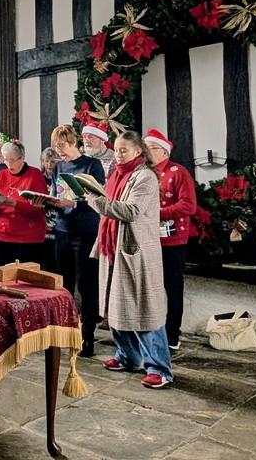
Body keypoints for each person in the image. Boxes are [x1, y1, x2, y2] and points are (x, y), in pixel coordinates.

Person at [86, 130, 173, 389]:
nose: (118, 154)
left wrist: (95, 201)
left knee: (144, 309)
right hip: (113, 247)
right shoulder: (116, 175)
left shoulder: (145, 177)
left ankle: (159, 368)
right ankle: (128, 356)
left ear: (138, 151)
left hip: (136, 251)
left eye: (124, 150)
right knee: (115, 306)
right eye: (116, 150)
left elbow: (131, 211)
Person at [48, 124, 106, 357]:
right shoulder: (58, 167)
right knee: (65, 284)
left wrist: (73, 203)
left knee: (86, 284)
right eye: (56, 147)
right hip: (63, 230)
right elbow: (55, 193)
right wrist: (46, 201)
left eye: (62, 146)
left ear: (73, 142)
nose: (59, 151)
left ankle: (87, 335)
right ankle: (67, 330)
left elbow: (99, 198)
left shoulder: (92, 165)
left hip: (86, 230)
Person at [144, 128, 197, 351]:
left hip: (172, 240)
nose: (147, 152)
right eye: (145, 148)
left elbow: (189, 205)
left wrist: (158, 213)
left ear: (164, 152)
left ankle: (172, 334)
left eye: (152, 148)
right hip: (148, 238)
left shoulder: (178, 172)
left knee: (173, 287)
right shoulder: (144, 173)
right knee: (149, 287)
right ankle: (151, 330)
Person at [0, 138, 48, 267]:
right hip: (4, 235)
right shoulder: (1, 175)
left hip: (29, 237)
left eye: (12, 160)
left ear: (22, 157)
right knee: (6, 274)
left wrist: (16, 204)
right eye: (6, 160)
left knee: (28, 275)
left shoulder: (35, 174)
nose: (9, 164)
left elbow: (42, 208)